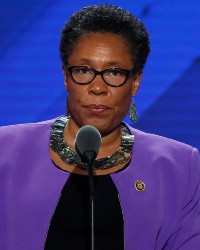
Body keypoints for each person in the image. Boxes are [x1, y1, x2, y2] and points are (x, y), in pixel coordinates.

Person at [0, 4, 200, 250]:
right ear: (65, 76)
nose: (97, 87)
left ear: (135, 81)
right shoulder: (5, 151)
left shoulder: (181, 167)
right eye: (84, 70)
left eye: (114, 73)